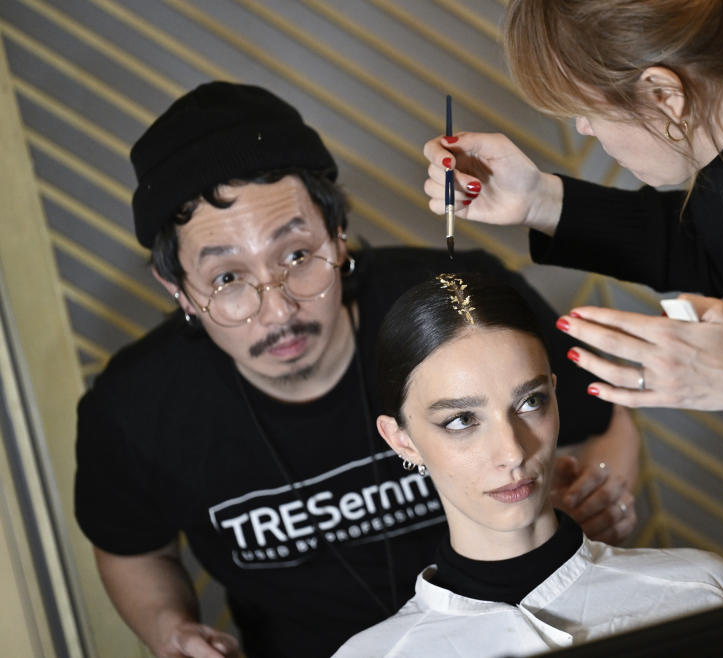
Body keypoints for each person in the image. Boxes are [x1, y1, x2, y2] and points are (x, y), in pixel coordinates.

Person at [73, 81, 642, 658]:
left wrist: (595, 509)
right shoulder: (132, 408)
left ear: (338, 236)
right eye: (227, 279)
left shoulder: (454, 304)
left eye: (297, 256)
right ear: (178, 290)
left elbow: (604, 416)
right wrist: (170, 629)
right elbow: (133, 549)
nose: (278, 310)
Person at [423, 0, 723, 567]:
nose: (583, 129)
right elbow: (709, 244)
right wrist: (537, 199)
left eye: (585, 110)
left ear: (661, 93)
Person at [333, 272, 723, 657]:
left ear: (555, 395)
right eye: (462, 420)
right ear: (402, 440)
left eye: (530, 402)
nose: (513, 452)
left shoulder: (702, 593)